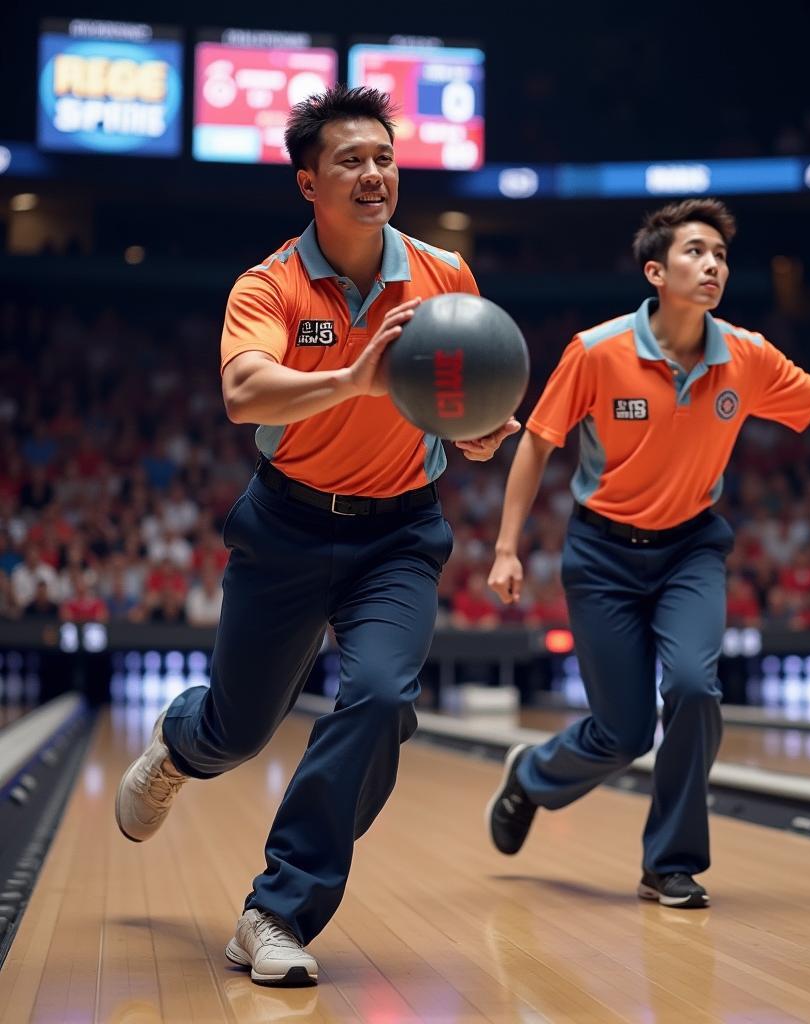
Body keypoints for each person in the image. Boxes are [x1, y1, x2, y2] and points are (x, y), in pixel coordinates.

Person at [484, 198, 810, 908]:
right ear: (655, 272)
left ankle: (670, 863)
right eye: (697, 252)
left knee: (696, 688)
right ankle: (531, 777)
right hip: (601, 554)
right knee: (623, 730)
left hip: (691, 548)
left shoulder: (747, 355)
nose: (713, 266)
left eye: (721, 256)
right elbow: (539, 440)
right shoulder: (596, 351)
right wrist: (508, 547)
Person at [114, 86, 517, 986]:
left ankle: (276, 909)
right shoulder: (270, 285)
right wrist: (355, 377)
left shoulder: (446, 274)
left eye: (383, 158)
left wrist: (481, 431)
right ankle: (181, 741)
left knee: (379, 700)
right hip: (286, 526)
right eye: (350, 161)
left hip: (402, 536)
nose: (373, 175)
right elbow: (245, 393)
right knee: (239, 728)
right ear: (309, 183)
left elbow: (458, 410)